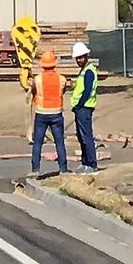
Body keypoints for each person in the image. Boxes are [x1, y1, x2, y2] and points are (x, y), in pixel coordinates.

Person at [29, 45, 67, 176]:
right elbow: (63, 91)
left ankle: (35, 169)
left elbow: (33, 91)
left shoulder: (37, 79)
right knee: (59, 142)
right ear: (54, 64)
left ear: (42, 65)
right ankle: (63, 169)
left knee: (38, 143)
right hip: (56, 113)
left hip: (41, 113)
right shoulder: (62, 79)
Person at [68, 40, 100, 172]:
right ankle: (85, 162)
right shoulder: (83, 71)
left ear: (86, 56)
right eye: (77, 58)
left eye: (81, 57)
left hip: (84, 108)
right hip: (80, 108)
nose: (79, 60)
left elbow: (87, 90)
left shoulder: (89, 71)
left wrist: (80, 104)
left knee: (86, 136)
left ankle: (91, 164)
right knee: (81, 136)